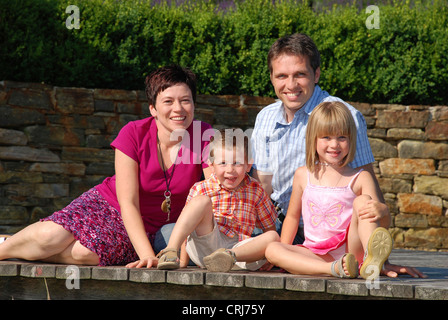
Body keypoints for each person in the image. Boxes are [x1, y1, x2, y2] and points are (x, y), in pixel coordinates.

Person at [0, 65, 213, 268]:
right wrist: (147, 255)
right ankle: (5, 248)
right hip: (109, 205)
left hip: (150, 228)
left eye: (185, 100)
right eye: (168, 101)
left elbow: (216, 190)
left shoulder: (203, 135)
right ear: (153, 108)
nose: (178, 109)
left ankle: (25, 248)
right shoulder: (133, 133)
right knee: (50, 237)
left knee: (86, 254)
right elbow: (128, 202)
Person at [251, 33, 424, 278]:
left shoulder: (344, 116)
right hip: (284, 226)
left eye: (300, 74)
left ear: (316, 74)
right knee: (250, 246)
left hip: (341, 233)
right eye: (281, 76)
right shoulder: (265, 118)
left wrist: (380, 258)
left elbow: (369, 192)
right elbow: (261, 187)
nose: (290, 85)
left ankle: (367, 261)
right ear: (271, 78)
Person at [265, 101, 392, 279]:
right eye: (326, 137)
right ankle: (333, 269)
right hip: (315, 254)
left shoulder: (361, 177)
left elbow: (380, 223)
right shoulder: (303, 175)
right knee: (273, 249)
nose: (334, 145)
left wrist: (383, 211)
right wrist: (284, 252)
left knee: (364, 202)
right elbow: (293, 217)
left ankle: (372, 260)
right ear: (313, 139)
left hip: (351, 252)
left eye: (342, 138)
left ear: (351, 140)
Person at [156, 129, 279, 272]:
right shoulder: (201, 188)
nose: (230, 170)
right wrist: (183, 261)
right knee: (200, 201)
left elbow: (269, 227)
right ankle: (170, 250)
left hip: (239, 252)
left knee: (273, 236)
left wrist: (269, 254)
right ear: (211, 164)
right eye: (223, 163)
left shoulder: (256, 190)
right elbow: (187, 228)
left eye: (237, 163)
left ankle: (226, 256)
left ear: (248, 165)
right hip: (206, 243)